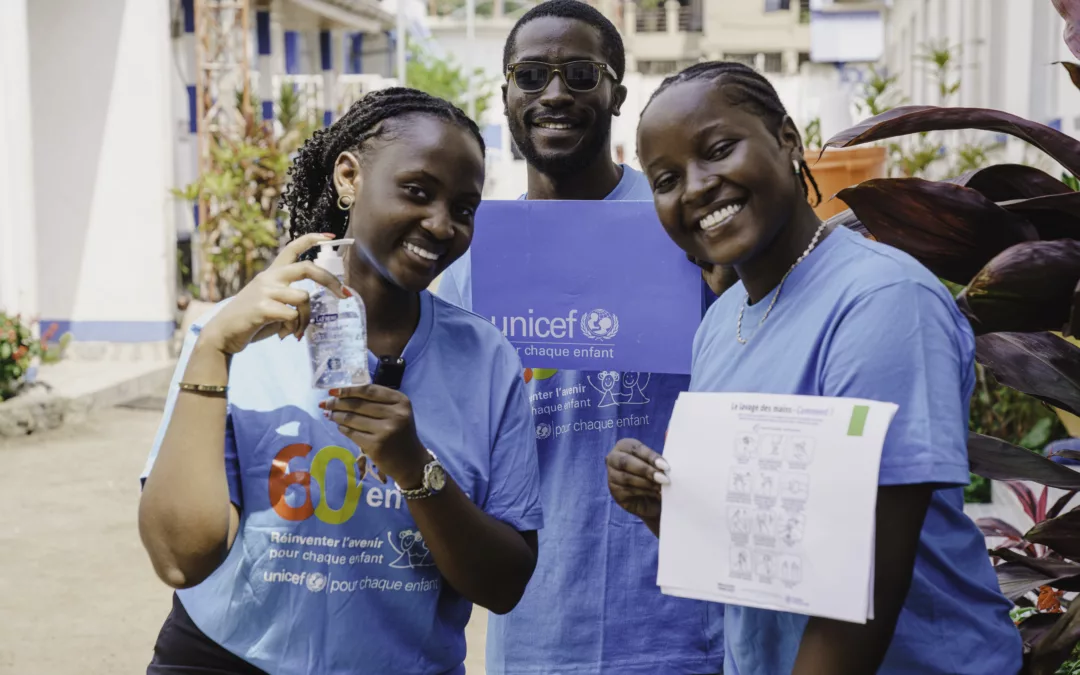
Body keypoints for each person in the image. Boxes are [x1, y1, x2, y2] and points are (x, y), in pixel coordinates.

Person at [608, 61, 1023, 674]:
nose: (694, 187)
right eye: (666, 179)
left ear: (787, 139)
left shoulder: (882, 300)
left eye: (718, 150)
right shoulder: (722, 326)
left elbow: (865, 581)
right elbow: (758, 554)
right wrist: (661, 509)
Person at [138, 88, 542, 675]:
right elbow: (181, 560)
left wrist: (413, 468)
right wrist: (211, 352)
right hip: (223, 659)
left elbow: (504, 585)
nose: (440, 223)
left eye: (463, 208)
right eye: (418, 191)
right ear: (349, 177)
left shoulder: (485, 359)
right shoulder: (232, 336)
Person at [437, 2, 725, 673]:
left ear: (617, 93)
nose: (555, 93)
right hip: (534, 631)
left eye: (579, 74)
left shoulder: (679, 228)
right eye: (532, 75)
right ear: (505, 95)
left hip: (679, 629)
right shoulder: (467, 258)